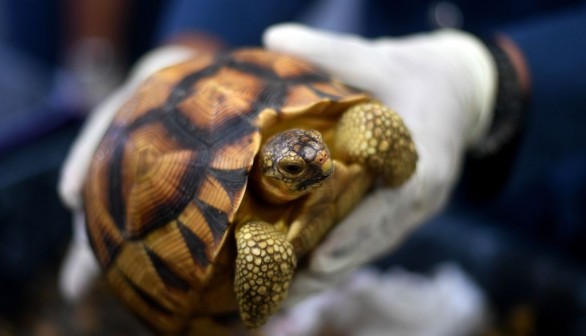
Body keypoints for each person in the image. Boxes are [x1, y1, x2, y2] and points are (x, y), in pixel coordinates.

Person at [58, 0, 586, 333]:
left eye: (313, 148)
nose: (316, 162)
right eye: (291, 169)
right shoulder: (259, 239)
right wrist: (190, 52)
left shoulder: (322, 146)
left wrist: (487, 81)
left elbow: (353, 133)